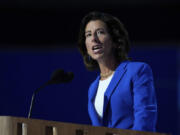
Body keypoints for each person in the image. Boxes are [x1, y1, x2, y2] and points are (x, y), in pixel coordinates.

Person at [78, 11, 157, 132]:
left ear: (115, 41)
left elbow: (145, 120)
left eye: (100, 32)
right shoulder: (92, 88)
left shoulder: (137, 71)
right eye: (88, 35)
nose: (93, 38)